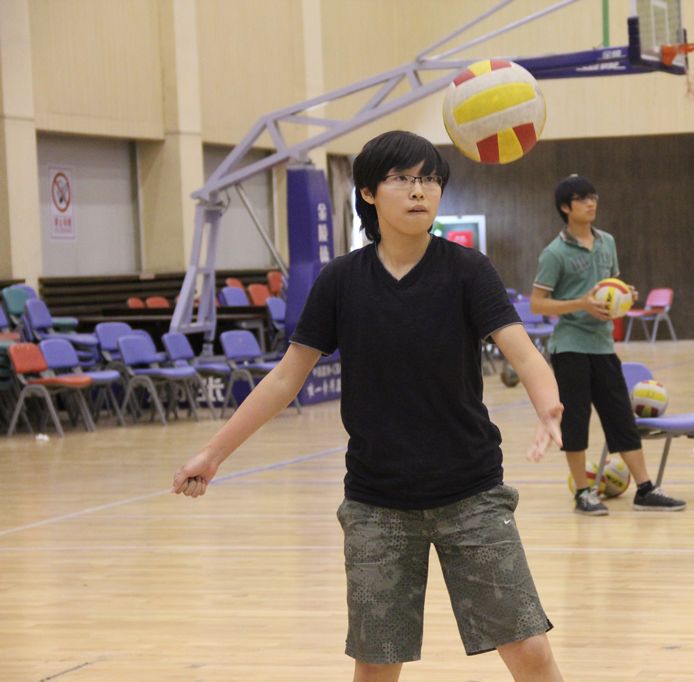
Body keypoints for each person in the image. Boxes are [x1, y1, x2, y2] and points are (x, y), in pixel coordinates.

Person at [173, 130, 564, 682]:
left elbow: (522, 353)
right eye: (402, 179)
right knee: (377, 662)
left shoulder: (467, 270)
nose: (419, 190)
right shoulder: (340, 281)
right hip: (377, 502)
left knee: (528, 647)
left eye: (430, 179)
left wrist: (548, 406)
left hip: (471, 492)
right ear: (368, 192)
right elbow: (285, 380)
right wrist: (213, 454)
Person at [530, 174, 687, 516]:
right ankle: (583, 493)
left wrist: (625, 295)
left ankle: (645, 489)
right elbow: (537, 303)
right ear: (565, 207)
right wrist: (580, 304)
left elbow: (611, 285)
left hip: (603, 346)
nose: (591, 203)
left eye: (593, 197)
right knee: (576, 421)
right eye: (583, 198)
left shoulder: (607, 243)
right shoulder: (554, 253)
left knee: (620, 418)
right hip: (570, 348)